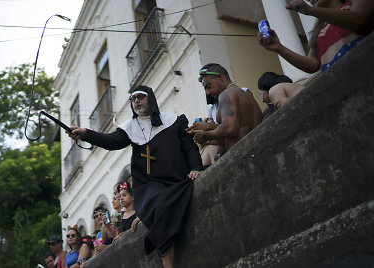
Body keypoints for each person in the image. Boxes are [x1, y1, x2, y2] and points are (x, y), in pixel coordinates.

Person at [68, 85, 203, 268]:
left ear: (151, 99)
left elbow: (189, 146)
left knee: (165, 204)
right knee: (158, 204)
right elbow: (110, 141)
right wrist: (85, 133)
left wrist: (196, 168)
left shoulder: (173, 121)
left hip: (176, 178)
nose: (136, 101)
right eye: (133, 99)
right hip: (149, 184)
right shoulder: (130, 128)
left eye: (140, 97)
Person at [259, 0, 374, 73]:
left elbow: (357, 19)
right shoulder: (319, 30)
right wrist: (279, 48)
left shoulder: (351, 5)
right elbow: (313, 65)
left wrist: (312, 10)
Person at [189, 64, 262, 152]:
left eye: (209, 86)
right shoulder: (244, 93)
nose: (208, 93)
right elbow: (238, 132)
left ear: (221, 78)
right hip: (256, 147)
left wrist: (205, 134)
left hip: (244, 154)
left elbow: (229, 128)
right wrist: (208, 140)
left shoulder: (226, 95)